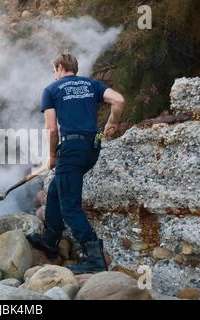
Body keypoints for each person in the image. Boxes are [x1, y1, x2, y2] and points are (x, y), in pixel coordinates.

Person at [27, 53, 124, 274]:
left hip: (71, 150)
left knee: (70, 206)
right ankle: (50, 241)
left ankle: (95, 258)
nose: (54, 74)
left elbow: (51, 129)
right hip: (92, 148)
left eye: (54, 70)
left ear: (59, 67)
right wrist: (112, 122)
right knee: (55, 190)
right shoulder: (92, 85)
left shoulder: (51, 90)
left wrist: (51, 156)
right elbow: (118, 100)